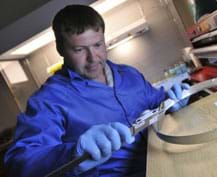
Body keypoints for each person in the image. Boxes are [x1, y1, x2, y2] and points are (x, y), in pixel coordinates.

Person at [4, 4, 189, 177]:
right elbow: (20, 161)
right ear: (61, 49)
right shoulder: (49, 100)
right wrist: (74, 153)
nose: (93, 58)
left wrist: (172, 102)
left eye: (98, 45)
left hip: (162, 163)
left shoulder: (128, 74)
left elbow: (156, 103)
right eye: (79, 50)